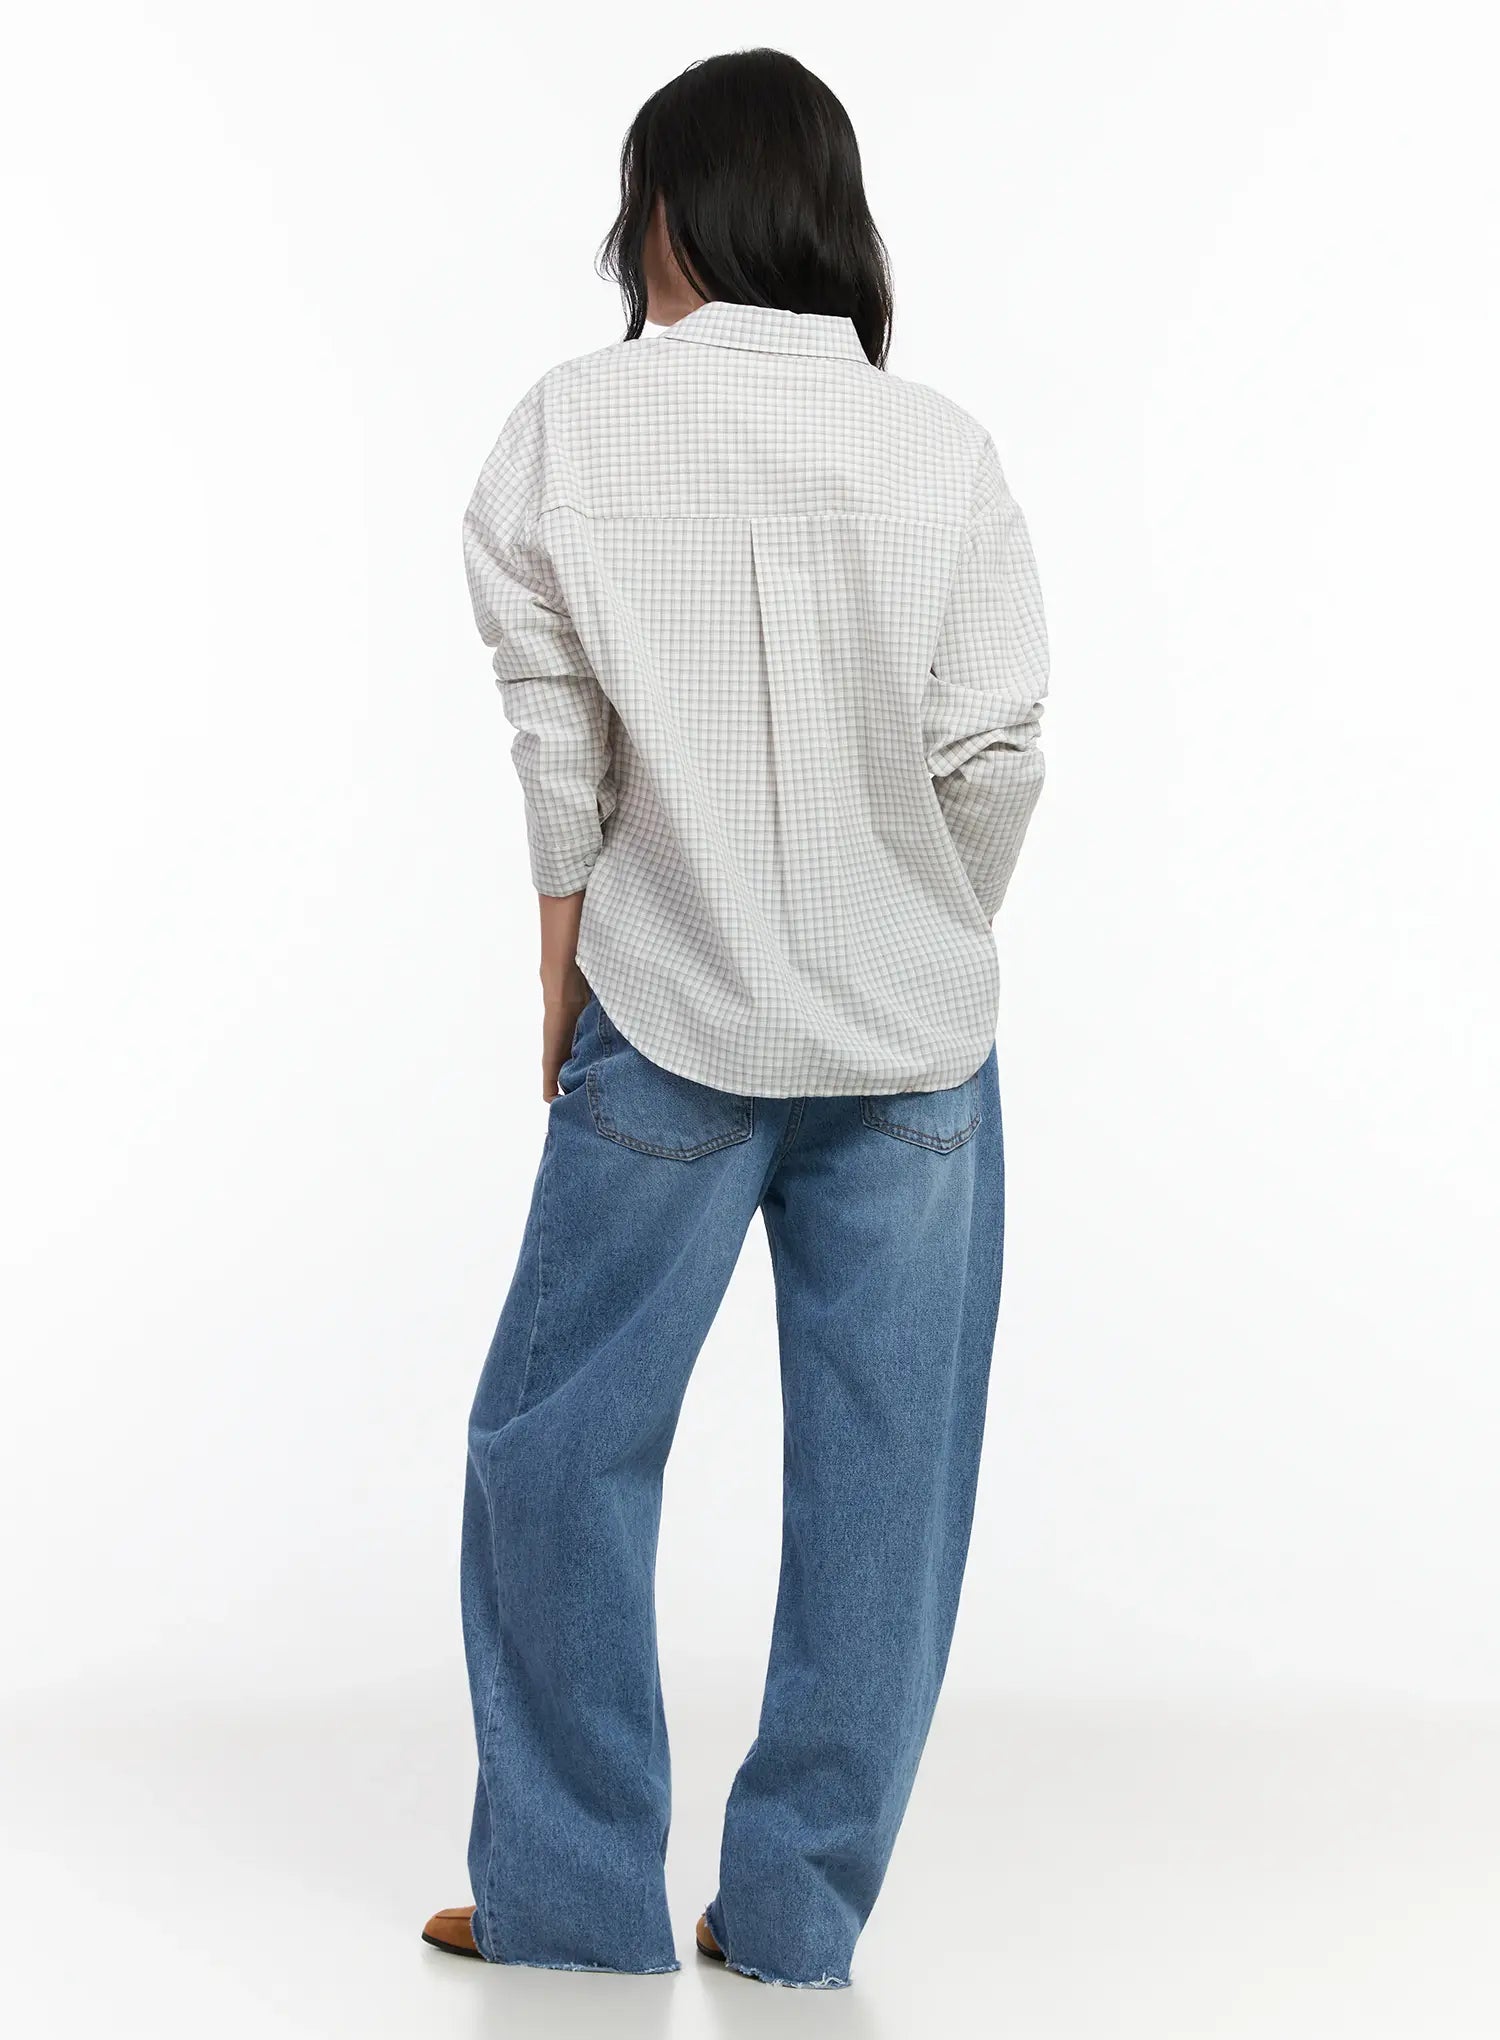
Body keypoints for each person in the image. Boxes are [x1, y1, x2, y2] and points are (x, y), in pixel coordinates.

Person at [423, 47, 1048, 1989]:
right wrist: (910, 930)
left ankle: (569, 1902)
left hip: (667, 1017)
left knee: (557, 1451)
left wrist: (560, 979)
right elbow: (996, 763)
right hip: (918, 1052)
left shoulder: (570, 425)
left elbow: (558, 749)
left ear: (666, 215)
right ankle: (790, 1923)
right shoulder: (941, 449)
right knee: (887, 1488)